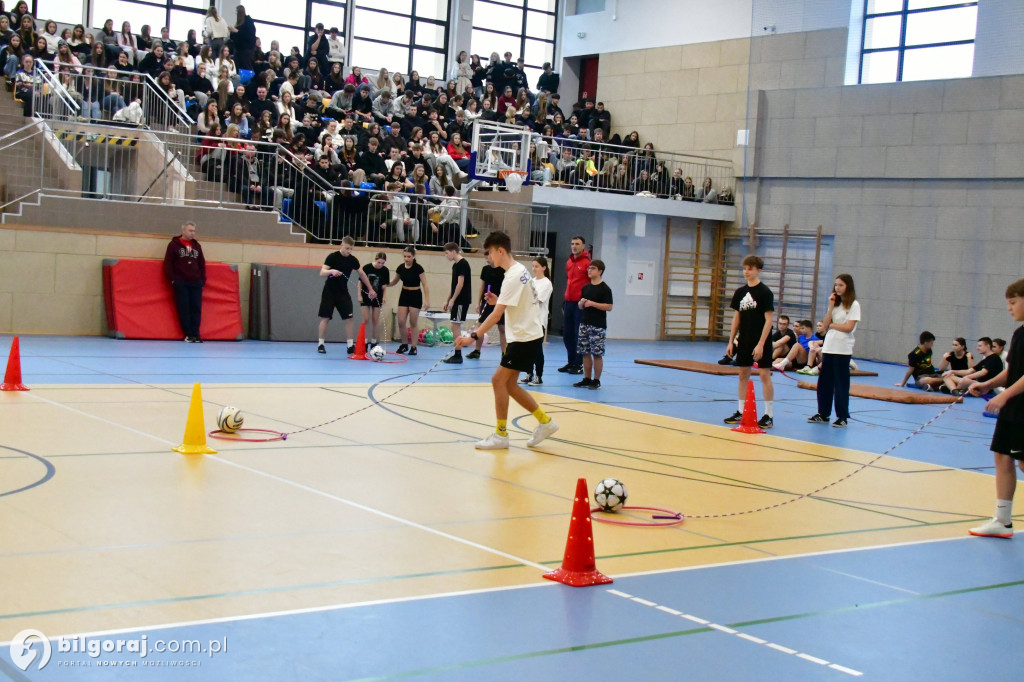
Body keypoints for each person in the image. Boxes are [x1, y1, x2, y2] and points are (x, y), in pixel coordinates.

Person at [453, 231, 558, 450]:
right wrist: (498, 299)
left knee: (498, 381)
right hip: (527, 336)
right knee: (509, 384)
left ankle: (501, 435)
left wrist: (474, 336)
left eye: (490, 253)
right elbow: (512, 303)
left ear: (500, 251)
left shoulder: (511, 276)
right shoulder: (519, 270)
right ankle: (545, 422)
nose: (489, 258)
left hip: (524, 339)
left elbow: (496, 315)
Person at [967, 278, 1024, 537]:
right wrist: (988, 384)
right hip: (1014, 405)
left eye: (1013, 302)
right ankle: (1002, 520)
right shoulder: (1019, 334)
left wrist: (1003, 397)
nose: (1009, 308)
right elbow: (1013, 371)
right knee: (1002, 455)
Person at [723, 255, 776, 429]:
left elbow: (769, 320)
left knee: (763, 374)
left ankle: (769, 414)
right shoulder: (740, 292)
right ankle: (741, 410)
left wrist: (761, 344)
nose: (746, 272)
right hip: (743, 339)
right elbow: (736, 318)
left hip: (760, 340)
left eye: (750, 268)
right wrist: (731, 341)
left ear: (758, 270)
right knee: (743, 374)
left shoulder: (765, 292)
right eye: (745, 268)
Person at [808, 274, 860, 428]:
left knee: (841, 383)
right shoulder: (834, 304)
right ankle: (823, 414)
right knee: (824, 382)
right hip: (829, 348)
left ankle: (842, 416)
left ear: (848, 287)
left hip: (843, 349)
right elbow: (823, 326)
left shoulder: (854, 305)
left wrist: (833, 325)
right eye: (836, 285)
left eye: (841, 285)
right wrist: (830, 307)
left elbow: (849, 327)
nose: (837, 288)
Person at [316, 236, 377, 355]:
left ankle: (350, 345)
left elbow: (362, 274)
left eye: (351, 249)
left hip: (343, 292)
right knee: (326, 318)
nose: (349, 251)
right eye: (347, 248)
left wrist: (370, 289)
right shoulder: (332, 257)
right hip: (329, 291)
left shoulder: (353, 260)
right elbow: (322, 272)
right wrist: (331, 271)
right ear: (341, 245)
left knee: (349, 318)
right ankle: (321, 344)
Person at [572, 260, 614, 390]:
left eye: (593, 268)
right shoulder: (586, 287)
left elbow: (609, 306)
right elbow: (581, 305)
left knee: (597, 354)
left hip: (598, 325)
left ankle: (596, 380)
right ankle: (586, 378)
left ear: (600, 271)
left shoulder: (605, 289)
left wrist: (593, 304)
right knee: (585, 352)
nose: (589, 270)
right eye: (589, 268)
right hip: (585, 323)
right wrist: (581, 303)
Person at [163, 221, 206, 343]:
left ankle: (196, 333)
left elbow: (202, 264)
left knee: (196, 308)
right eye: (190, 230)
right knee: (184, 308)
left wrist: (202, 280)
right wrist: (173, 280)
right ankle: (188, 334)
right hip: (181, 282)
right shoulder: (173, 245)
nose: (192, 233)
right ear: (183, 231)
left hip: (196, 282)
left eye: (194, 231)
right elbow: (168, 264)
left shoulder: (197, 246)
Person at [389, 245, 429, 355]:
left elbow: (425, 284)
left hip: (415, 295)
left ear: (413, 256)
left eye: (409, 256)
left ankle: (414, 347)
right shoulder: (401, 267)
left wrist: (427, 300)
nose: (406, 259)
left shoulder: (418, 268)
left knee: (413, 322)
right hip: (404, 294)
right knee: (401, 321)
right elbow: (394, 281)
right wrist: (385, 284)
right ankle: (404, 344)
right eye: (405, 256)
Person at [559, 236, 590, 375]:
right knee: (567, 335)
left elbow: (590, 283)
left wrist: (585, 301)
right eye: (572, 243)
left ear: (583, 246)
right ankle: (571, 361)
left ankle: (579, 364)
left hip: (579, 304)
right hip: (569, 303)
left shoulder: (587, 263)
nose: (574, 246)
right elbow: (570, 282)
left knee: (578, 335)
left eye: (577, 244)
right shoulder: (569, 262)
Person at [466, 251, 505, 360]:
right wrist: (478, 303)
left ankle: (504, 354)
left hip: (499, 302)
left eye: (489, 256)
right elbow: (482, 286)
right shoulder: (485, 269)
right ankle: (477, 351)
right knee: (480, 327)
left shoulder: (503, 270)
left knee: (502, 328)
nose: (487, 258)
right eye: (486, 256)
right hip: (486, 302)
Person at [520, 256, 552, 386]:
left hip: (539, 320)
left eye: (537, 266)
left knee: (537, 350)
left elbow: (537, 299)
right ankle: (529, 373)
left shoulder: (546, 283)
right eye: (533, 266)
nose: (534, 269)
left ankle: (539, 376)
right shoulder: (531, 281)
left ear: (544, 268)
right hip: (528, 319)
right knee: (527, 349)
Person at [442, 242, 472, 364]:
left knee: (455, 326)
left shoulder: (463, 264)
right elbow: (454, 285)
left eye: (447, 253)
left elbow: (460, 284)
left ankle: (458, 354)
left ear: (454, 251)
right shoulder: (455, 265)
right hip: (456, 300)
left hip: (461, 300)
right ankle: (457, 353)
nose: (446, 256)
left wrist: (453, 300)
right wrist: (448, 299)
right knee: (454, 325)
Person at [358, 252, 389, 349]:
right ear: (375, 259)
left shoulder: (385, 271)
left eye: (383, 263)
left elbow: (384, 286)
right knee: (366, 319)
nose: (380, 265)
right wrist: (359, 295)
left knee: (375, 320)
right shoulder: (367, 267)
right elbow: (360, 282)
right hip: (366, 295)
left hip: (377, 296)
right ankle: (365, 341)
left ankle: (374, 341)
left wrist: (384, 296)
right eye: (379, 262)